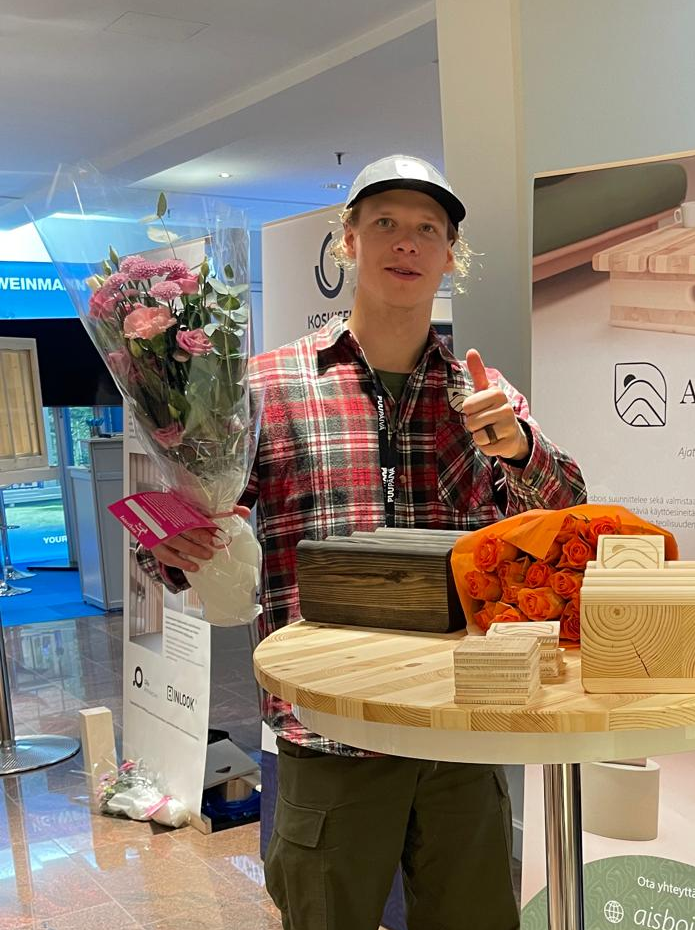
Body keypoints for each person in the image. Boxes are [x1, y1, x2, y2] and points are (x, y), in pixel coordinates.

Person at [143, 154, 587, 930]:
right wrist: (173, 551)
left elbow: (566, 515)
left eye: (427, 230)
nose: (406, 243)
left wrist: (520, 450)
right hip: (328, 732)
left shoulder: (480, 393)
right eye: (385, 223)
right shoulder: (267, 387)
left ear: (450, 256)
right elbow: (202, 527)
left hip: (458, 728)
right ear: (348, 241)